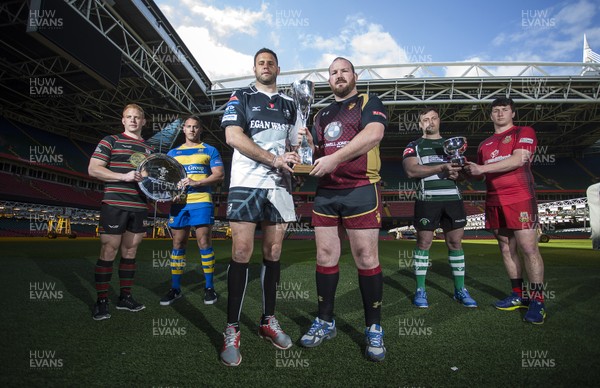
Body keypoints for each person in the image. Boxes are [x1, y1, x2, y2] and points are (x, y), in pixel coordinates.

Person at [298, 57, 387, 362]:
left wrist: (334, 159)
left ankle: (373, 327)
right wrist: (309, 145)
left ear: (355, 76)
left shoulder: (368, 101)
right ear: (328, 80)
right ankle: (325, 320)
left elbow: (373, 135)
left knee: (366, 257)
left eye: (344, 70)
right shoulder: (321, 114)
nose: (339, 75)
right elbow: (319, 153)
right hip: (326, 192)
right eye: (333, 72)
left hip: (361, 188)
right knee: (325, 256)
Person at [219, 48, 301, 366]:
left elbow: (295, 146)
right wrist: (273, 158)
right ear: (254, 68)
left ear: (278, 68)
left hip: (279, 186)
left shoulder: (291, 105)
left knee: (274, 252)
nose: (265, 66)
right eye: (260, 63)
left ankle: (268, 320)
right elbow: (233, 136)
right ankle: (232, 329)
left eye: (270, 63)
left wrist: (299, 151)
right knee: (241, 251)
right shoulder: (241, 96)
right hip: (246, 182)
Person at [464, 97, 547, 324]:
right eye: (496, 110)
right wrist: (464, 169)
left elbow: (518, 159)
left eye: (505, 110)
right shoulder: (484, 145)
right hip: (494, 200)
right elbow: (481, 174)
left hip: (520, 198)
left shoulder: (524, 131)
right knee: (505, 247)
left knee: (528, 247)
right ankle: (518, 295)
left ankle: (538, 300)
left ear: (513, 113)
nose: (500, 113)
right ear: (490, 115)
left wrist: (481, 167)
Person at [402, 106, 478, 309]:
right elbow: (411, 170)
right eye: (425, 119)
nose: (430, 122)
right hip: (427, 200)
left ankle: (460, 290)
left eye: (434, 118)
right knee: (424, 243)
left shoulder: (452, 146)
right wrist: (441, 168)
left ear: (439, 121)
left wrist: (459, 174)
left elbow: (462, 176)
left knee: (455, 243)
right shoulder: (414, 145)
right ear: (420, 123)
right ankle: (420, 289)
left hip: (452, 199)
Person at [88, 103, 153, 320]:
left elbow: (151, 181)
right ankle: (102, 301)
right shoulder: (111, 140)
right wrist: (123, 177)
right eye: (129, 117)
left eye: (137, 117)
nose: (133, 120)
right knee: (109, 249)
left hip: (139, 206)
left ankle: (125, 297)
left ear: (144, 122)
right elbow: (93, 169)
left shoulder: (150, 150)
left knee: (131, 251)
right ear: (123, 120)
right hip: (115, 203)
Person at [160, 115, 225, 306]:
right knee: (178, 243)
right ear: (183, 129)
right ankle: (175, 288)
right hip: (179, 203)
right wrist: (171, 192)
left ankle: (209, 288)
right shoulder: (173, 153)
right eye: (188, 127)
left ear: (200, 129)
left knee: (204, 242)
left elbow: (219, 175)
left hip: (202, 200)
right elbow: (168, 179)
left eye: (195, 127)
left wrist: (197, 182)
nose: (192, 130)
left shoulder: (210, 150)